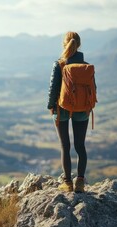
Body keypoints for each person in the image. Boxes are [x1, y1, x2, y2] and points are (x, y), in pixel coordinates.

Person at [47, 31, 95, 193]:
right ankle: (80, 181)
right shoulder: (86, 66)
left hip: (62, 109)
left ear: (64, 44)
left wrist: (50, 106)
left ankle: (67, 182)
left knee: (65, 145)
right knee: (80, 146)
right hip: (82, 109)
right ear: (79, 45)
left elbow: (53, 89)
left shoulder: (59, 64)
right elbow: (93, 89)